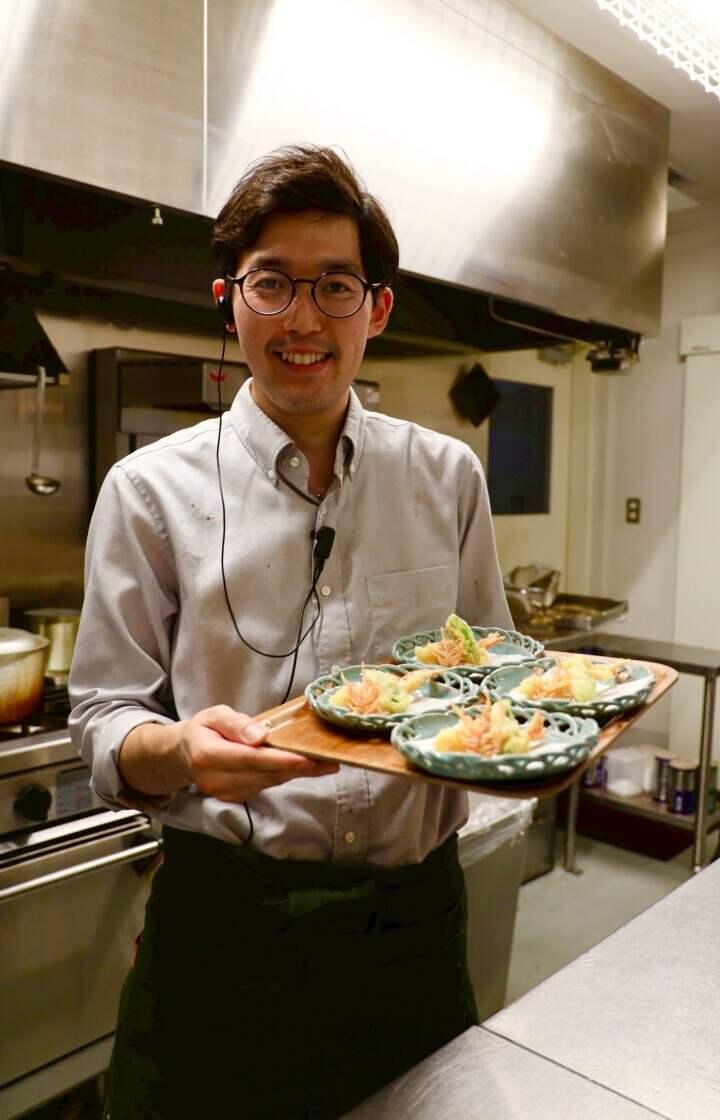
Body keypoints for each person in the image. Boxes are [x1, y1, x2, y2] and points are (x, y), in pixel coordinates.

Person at [69, 144, 513, 1120]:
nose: (304, 318)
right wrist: (177, 750)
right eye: (273, 282)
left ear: (377, 309)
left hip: (412, 926)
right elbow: (103, 718)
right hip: (223, 926)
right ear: (230, 300)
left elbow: (492, 677)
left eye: (336, 285)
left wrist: (514, 739)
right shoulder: (150, 493)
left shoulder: (448, 481)